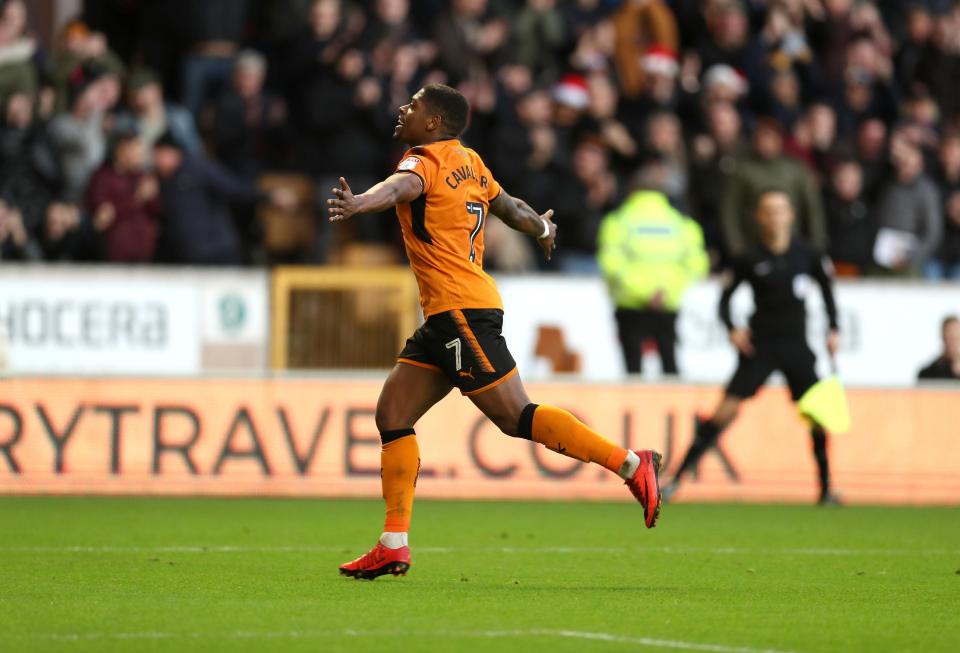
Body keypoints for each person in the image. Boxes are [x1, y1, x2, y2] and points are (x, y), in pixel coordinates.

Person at [328, 84, 663, 580]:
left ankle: (634, 465)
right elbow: (513, 208)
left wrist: (361, 204)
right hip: (450, 315)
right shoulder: (472, 164)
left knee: (515, 416)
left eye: (415, 105)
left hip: (460, 313)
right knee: (393, 413)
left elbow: (399, 189)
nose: (405, 109)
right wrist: (544, 231)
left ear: (434, 123)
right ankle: (393, 543)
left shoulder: (422, 161)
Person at [662, 190, 842, 506]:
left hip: (797, 346)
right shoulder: (749, 258)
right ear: (759, 217)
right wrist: (732, 329)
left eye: (780, 210)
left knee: (817, 416)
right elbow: (724, 301)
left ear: (791, 215)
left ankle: (826, 490)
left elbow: (828, 291)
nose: (774, 217)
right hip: (760, 347)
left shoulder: (807, 255)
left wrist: (834, 328)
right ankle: (675, 481)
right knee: (723, 413)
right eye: (768, 211)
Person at [597, 162, 709, 376]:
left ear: (633, 189)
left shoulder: (617, 221)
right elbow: (697, 264)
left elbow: (611, 264)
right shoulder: (683, 223)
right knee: (670, 365)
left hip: (629, 303)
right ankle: (674, 408)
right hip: (667, 302)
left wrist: (642, 292)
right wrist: (665, 292)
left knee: (633, 369)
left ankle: (632, 409)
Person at [917, 316, 960, 381]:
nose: (952, 341)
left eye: (955, 337)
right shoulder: (928, 373)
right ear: (943, 336)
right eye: (950, 337)